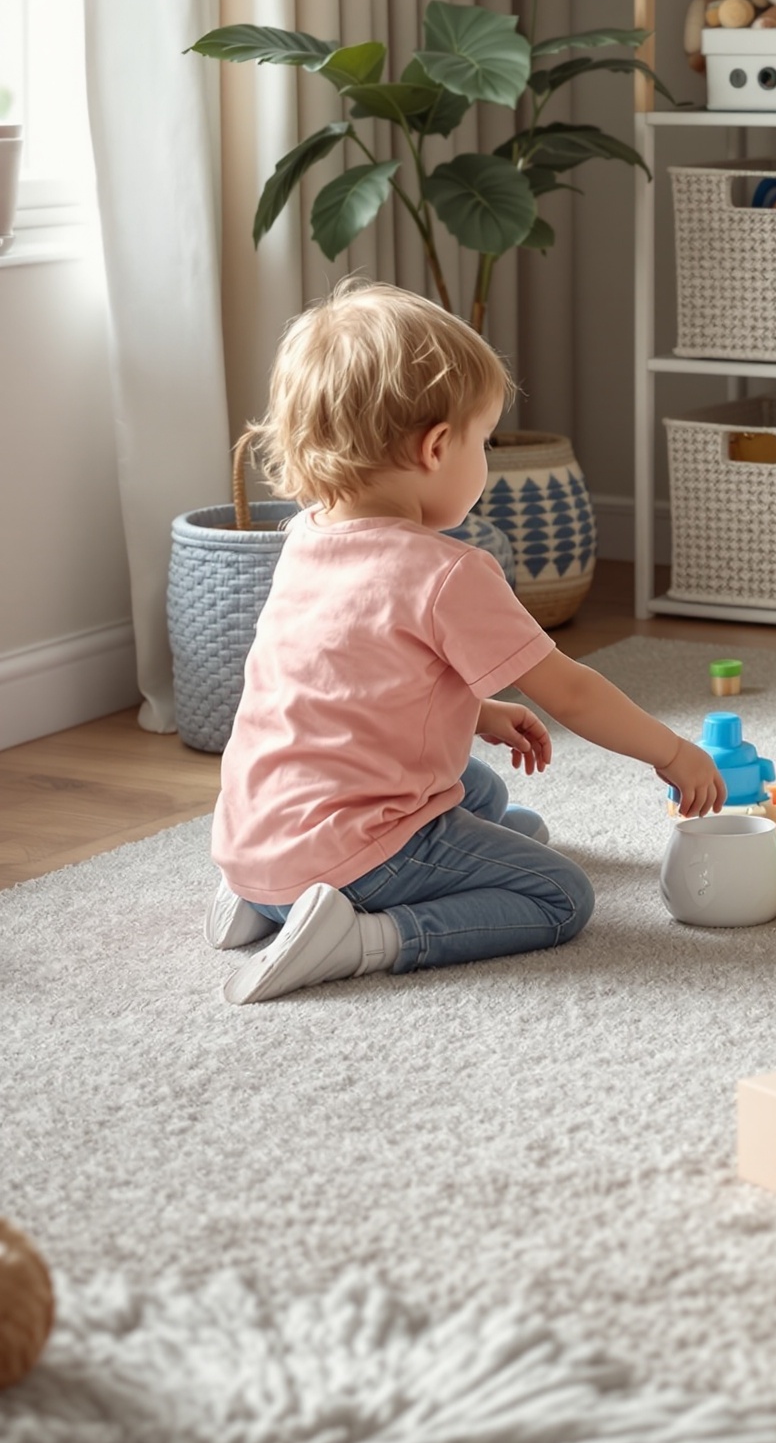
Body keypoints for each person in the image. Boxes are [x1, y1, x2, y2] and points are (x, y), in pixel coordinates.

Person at [208, 279, 724, 1005]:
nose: (483, 458)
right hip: (349, 852)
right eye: (483, 441)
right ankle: (357, 937)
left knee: (480, 789)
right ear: (437, 447)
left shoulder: (306, 536)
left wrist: (477, 710)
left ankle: (266, 901)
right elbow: (570, 689)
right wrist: (671, 752)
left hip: (255, 833)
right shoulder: (448, 571)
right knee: (559, 893)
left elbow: (341, 677)